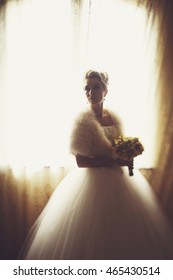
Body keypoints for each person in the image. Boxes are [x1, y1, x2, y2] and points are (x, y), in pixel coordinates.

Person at [21, 70, 173, 260]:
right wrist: (112, 161)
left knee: (122, 231)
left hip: (118, 181)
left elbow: (117, 147)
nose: (91, 92)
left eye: (96, 87)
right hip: (90, 183)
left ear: (106, 91)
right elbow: (81, 161)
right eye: (87, 88)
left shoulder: (114, 118)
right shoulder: (82, 122)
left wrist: (127, 155)